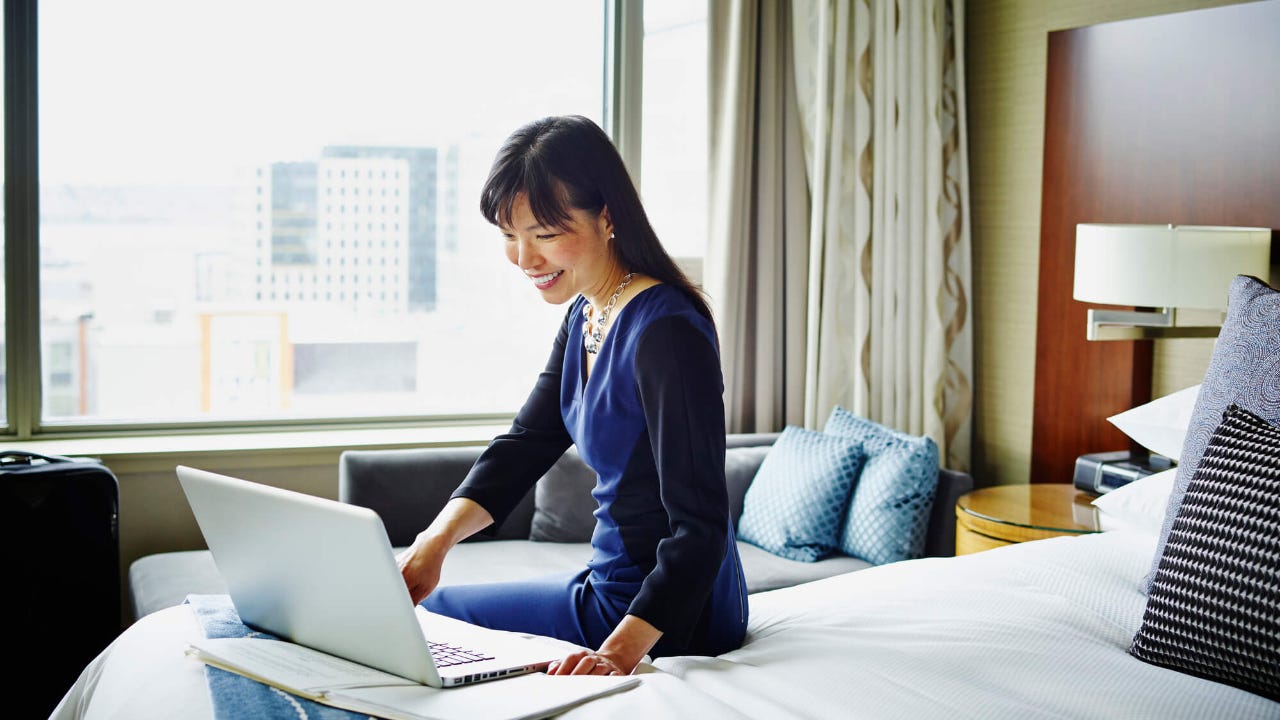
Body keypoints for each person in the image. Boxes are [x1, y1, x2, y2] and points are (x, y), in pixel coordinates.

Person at [395, 115, 747, 677]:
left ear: (607, 217)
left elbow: (701, 527)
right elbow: (526, 444)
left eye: (545, 234)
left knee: (420, 622)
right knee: (408, 612)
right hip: (609, 583)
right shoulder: (587, 311)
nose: (525, 259)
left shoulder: (667, 332)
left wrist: (617, 653)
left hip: (668, 612)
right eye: (510, 236)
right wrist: (433, 542)